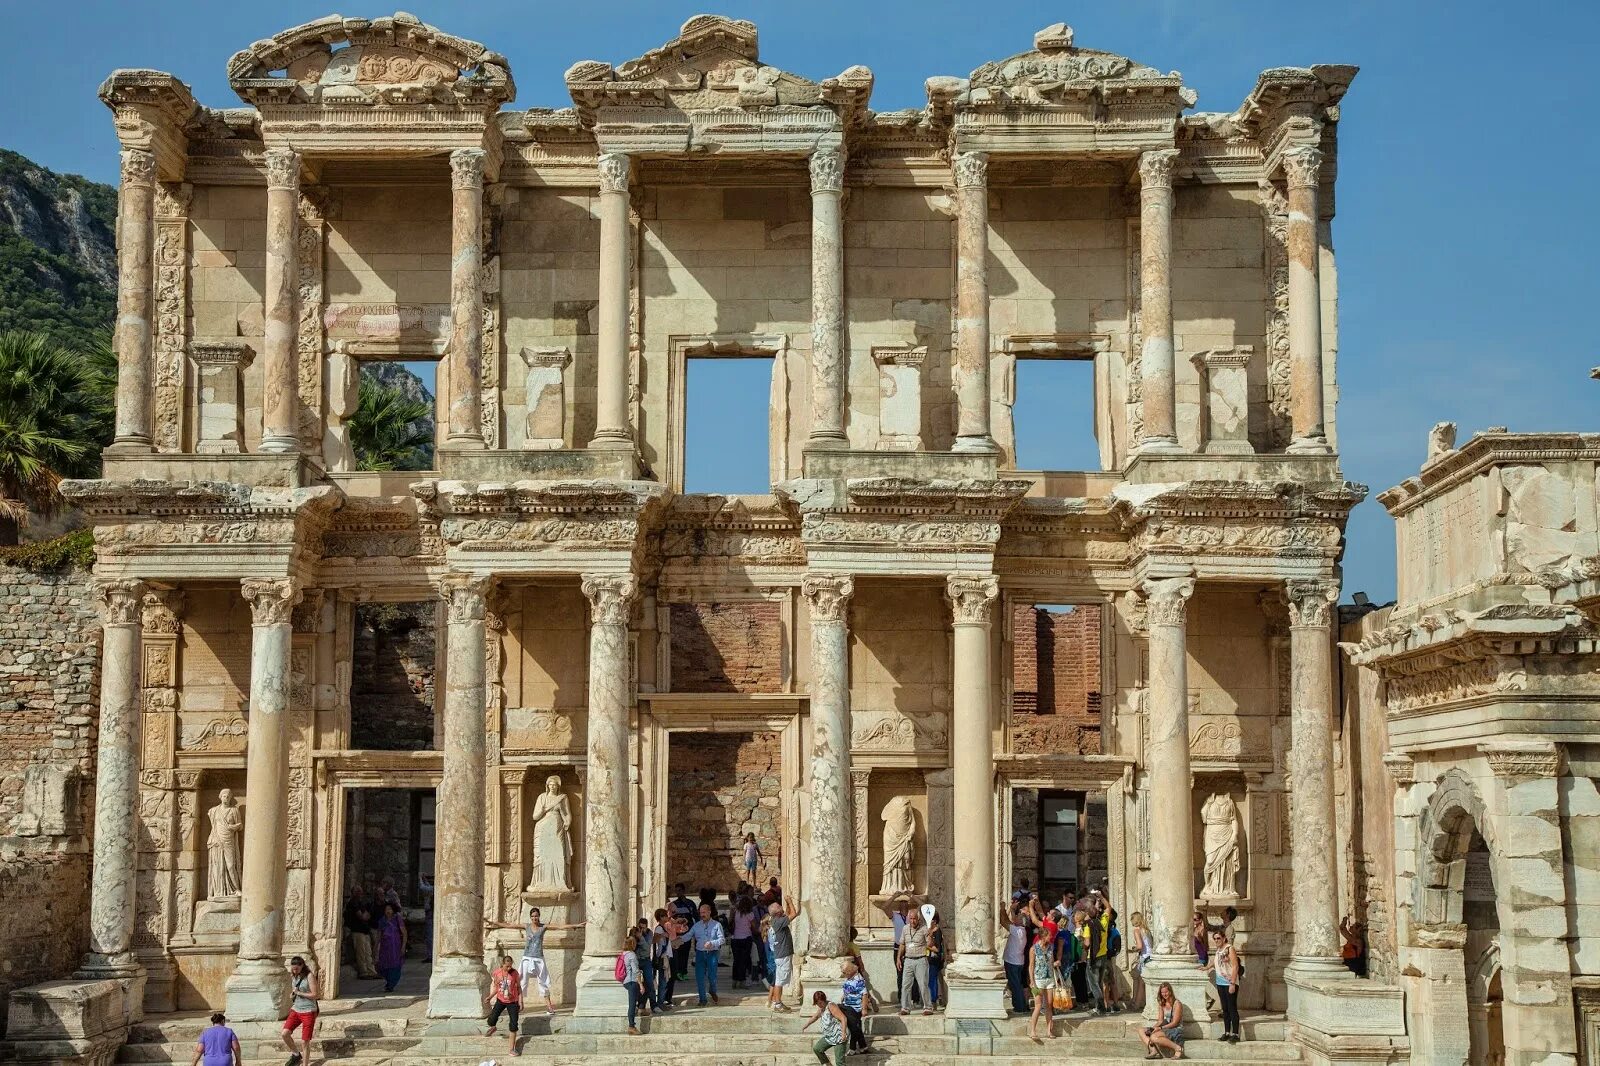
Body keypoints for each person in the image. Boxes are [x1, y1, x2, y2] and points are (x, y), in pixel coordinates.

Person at [487, 905, 583, 1016]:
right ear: (530, 917)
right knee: (520, 981)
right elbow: (510, 925)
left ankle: (549, 1007)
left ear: (539, 916)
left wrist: (576, 925)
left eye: (536, 916)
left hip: (539, 958)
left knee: (543, 982)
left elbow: (559, 926)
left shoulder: (543, 927)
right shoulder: (526, 926)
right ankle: (516, 1005)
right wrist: (494, 923)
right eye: (532, 916)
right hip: (527, 958)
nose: (534, 918)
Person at [1203, 929, 1242, 1043]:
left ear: (1224, 938)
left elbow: (1235, 967)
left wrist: (1233, 983)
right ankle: (1226, 1032)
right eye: (1214, 939)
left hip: (1230, 982)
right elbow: (1215, 962)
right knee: (1225, 1009)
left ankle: (1235, 1033)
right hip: (1220, 982)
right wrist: (1206, 967)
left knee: (1232, 1008)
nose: (1216, 940)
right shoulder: (1219, 950)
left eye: (1218, 938)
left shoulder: (1230, 948)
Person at [279, 956, 320, 1066]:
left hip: (309, 1011)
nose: (294, 970)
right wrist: (293, 994)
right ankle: (296, 1054)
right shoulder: (294, 976)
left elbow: (316, 995)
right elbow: (295, 990)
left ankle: (305, 1064)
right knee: (285, 1034)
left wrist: (299, 993)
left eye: (296, 969)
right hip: (296, 1009)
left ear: (302, 966)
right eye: (293, 969)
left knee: (304, 1041)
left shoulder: (309, 976)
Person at [484, 954, 522, 1058]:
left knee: (513, 1025)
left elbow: (519, 988)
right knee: (491, 1020)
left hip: (512, 1002)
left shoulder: (514, 973)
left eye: (510, 966)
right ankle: (493, 1027)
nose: (509, 968)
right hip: (501, 1000)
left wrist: (521, 1002)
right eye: (507, 966)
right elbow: (497, 987)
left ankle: (511, 1049)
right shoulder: (497, 973)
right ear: (502, 964)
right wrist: (490, 997)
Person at [897, 908, 932, 1017]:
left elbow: (930, 944)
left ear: (918, 919)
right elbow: (902, 944)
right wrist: (899, 958)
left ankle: (927, 1007)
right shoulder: (905, 929)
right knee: (905, 985)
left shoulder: (924, 929)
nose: (913, 921)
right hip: (908, 959)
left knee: (923, 984)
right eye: (911, 919)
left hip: (921, 959)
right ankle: (905, 1007)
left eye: (914, 919)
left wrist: (930, 936)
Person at [767, 893, 799, 1011]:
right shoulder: (779, 922)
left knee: (779, 980)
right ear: (777, 912)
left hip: (781, 954)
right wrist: (790, 901)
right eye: (779, 906)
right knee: (779, 981)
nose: (781, 906)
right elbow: (794, 914)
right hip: (783, 955)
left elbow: (787, 912)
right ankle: (777, 1003)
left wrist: (786, 903)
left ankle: (777, 1002)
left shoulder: (777, 920)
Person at [801, 989, 850, 1066]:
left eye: (820, 1003)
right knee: (817, 1049)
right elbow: (815, 1017)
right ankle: (828, 1064)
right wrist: (806, 1025)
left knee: (839, 1062)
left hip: (839, 1036)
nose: (819, 1005)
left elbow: (843, 1018)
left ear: (824, 1000)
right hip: (829, 1036)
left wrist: (843, 1033)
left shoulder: (831, 1006)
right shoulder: (821, 1008)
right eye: (817, 1003)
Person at [1028, 915, 1057, 1041]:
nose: (1051, 937)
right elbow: (1031, 966)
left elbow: (1051, 961)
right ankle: (1032, 1030)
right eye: (1049, 935)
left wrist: (1055, 964)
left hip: (1049, 978)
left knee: (1049, 1005)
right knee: (1038, 1005)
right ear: (1043, 936)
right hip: (1038, 979)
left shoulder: (1050, 947)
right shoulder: (1034, 949)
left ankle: (1049, 1031)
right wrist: (1032, 982)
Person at [690, 902, 726, 1005]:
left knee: (712, 976)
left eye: (704, 912)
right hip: (700, 953)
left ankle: (712, 990)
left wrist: (712, 943)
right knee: (700, 977)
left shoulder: (717, 925)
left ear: (709, 912)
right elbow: (688, 935)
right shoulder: (696, 926)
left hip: (712, 953)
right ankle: (702, 1000)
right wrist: (677, 940)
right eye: (700, 912)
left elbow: (722, 939)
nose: (702, 915)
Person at [1140, 981, 1185, 1060]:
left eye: (1166, 992)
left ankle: (1178, 1048)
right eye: (1162, 992)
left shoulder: (1177, 1004)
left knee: (1154, 1037)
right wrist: (1153, 1028)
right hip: (1165, 1027)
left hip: (1175, 1029)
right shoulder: (1162, 1003)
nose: (1164, 994)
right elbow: (1160, 1020)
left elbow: (1175, 1023)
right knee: (1141, 1030)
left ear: (1170, 992)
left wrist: (1160, 1028)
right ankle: (1153, 1050)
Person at [1001, 901, 1031, 1014]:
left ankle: (1019, 1007)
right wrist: (1011, 909)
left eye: (1018, 917)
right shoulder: (1021, 930)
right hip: (1017, 961)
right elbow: (1009, 921)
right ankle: (1020, 1005)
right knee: (1016, 984)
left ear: (1020, 921)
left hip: (1013, 962)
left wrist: (1002, 909)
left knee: (1016, 985)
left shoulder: (1017, 930)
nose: (1015, 918)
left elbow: (1004, 922)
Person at [839, 959, 871, 1054]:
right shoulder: (849, 978)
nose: (843, 974)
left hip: (855, 1007)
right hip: (848, 1005)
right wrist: (844, 996)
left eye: (844, 972)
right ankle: (863, 1047)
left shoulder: (859, 980)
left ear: (849, 971)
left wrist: (864, 1009)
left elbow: (864, 994)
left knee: (854, 1028)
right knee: (856, 1027)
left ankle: (852, 1048)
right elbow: (847, 989)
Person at [375, 901, 407, 992]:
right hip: (385, 947)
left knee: (395, 965)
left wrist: (403, 946)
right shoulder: (382, 921)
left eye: (389, 909)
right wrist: (375, 948)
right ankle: (389, 982)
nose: (388, 911)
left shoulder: (397, 919)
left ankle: (391, 985)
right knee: (383, 966)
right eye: (386, 909)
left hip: (395, 946)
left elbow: (404, 933)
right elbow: (378, 935)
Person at [619, 933, 645, 1035]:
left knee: (636, 1001)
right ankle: (631, 1026)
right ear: (633, 944)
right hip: (632, 981)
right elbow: (635, 971)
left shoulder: (623, 954)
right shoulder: (632, 955)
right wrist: (641, 984)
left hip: (626, 981)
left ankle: (641, 1009)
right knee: (632, 1004)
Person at [346, 898, 378, 980]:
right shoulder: (353, 903)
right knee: (361, 952)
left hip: (365, 931)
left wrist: (365, 915)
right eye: (357, 891)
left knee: (368, 952)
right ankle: (363, 972)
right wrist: (364, 915)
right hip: (357, 930)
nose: (359, 894)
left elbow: (367, 916)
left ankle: (371, 971)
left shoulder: (362, 904)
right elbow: (361, 916)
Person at [730, 894, 757, 989]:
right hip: (746, 938)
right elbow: (754, 927)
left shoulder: (735, 912)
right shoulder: (750, 914)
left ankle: (734, 980)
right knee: (744, 960)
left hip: (735, 938)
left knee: (736, 960)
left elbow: (731, 922)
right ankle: (742, 981)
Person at [1128, 912, 1152, 1010]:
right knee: (1141, 981)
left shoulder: (1137, 931)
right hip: (1151, 956)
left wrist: (1132, 950)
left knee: (1141, 982)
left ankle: (1137, 1004)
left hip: (1145, 957)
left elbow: (1140, 946)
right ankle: (1139, 1002)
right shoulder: (1146, 930)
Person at [634, 918, 656, 1014]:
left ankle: (653, 1005)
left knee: (649, 982)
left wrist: (641, 937)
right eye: (640, 927)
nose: (642, 929)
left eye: (644, 927)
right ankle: (637, 1005)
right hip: (636, 960)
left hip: (646, 960)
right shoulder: (635, 932)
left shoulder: (649, 933)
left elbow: (647, 947)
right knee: (636, 983)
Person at [926, 912, 945, 1011]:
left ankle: (934, 1001)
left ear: (935, 920)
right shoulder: (929, 931)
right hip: (928, 958)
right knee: (931, 980)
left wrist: (927, 947)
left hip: (934, 959)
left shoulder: (937, 932)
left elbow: (938, 949)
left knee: (932, 981)